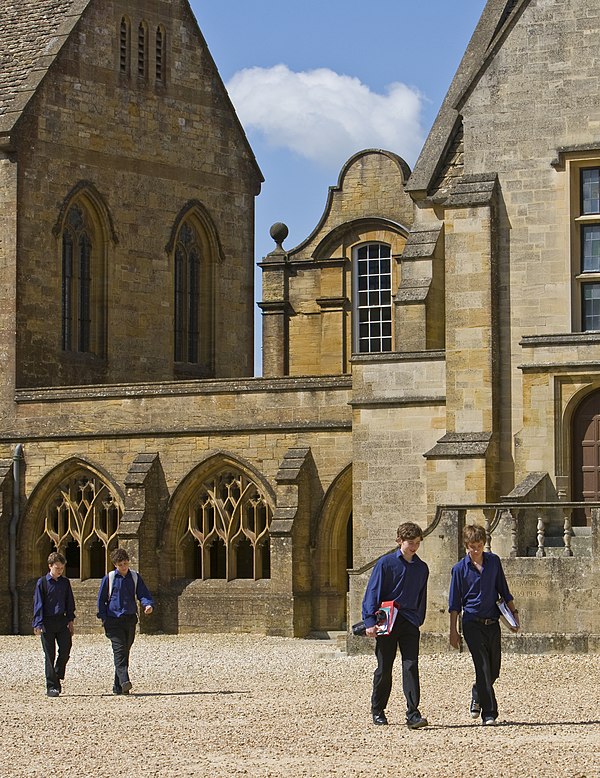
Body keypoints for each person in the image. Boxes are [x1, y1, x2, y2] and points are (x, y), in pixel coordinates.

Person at [448, 523, 520, 725]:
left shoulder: (494, 562)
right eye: (472, 546)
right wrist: (453, 631)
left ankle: (477, 691)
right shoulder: (458, 570)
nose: (476, 549)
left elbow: (504, 591)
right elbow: (454, 604)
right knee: (482, 667)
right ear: (466, 545)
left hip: (493, 622)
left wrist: (514, 615)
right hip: (471, 623)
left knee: (494, 669)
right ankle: (489, 713)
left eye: (479, 545)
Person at [361, 521, 429, 729]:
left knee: (411, 665)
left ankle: (413, 713)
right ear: (399, 541)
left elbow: (422, 597)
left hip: (409, 621)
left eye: (417, 543)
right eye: (410, 542)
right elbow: (373, 592)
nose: (414, 547)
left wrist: (418, 618)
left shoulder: (422, 568)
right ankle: (378, 709)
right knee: (384, 667)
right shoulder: (385, 563)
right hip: (387, 622)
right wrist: (370, 621)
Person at [97, 547, 154, 695]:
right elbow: (101, 600)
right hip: (113, 620)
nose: (123, 567)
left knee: (125, 651)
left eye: (125, 563)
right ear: (115, 565)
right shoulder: (109, 578)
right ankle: (125, 681)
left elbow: (143, 593)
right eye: (120, 564)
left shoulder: (134, 577)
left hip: (130, 619)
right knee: (119, 650)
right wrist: (104, 619)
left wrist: (147, 604)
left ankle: (118, 687)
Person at [32, 551, 76, 697]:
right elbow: (38, 604)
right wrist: (37, 623)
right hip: (47, 622)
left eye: (62, 568)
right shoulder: (42, 583)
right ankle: (52, 686)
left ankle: (57, 673)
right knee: (49, 655)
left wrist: (71, 620)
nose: (60, 571)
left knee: (65, 649)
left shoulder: (65, 582)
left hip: (62, 621)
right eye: (57, 568)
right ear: (50, 566)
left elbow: (70, 602)